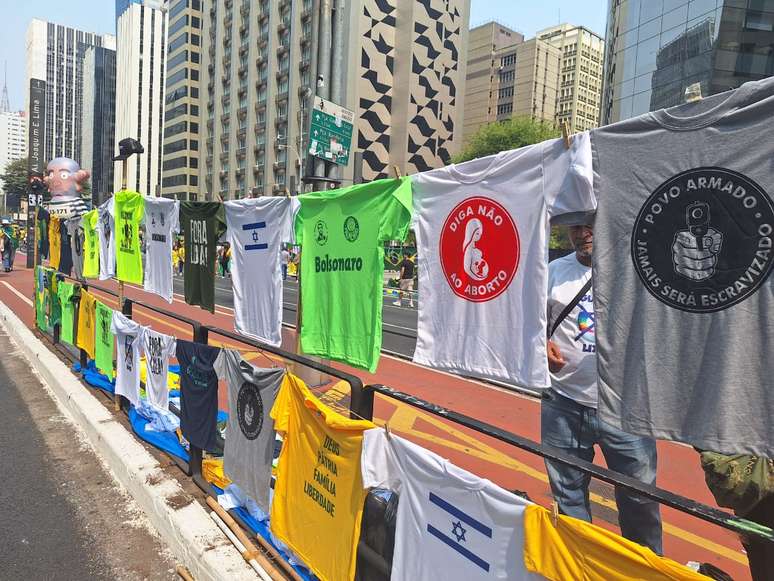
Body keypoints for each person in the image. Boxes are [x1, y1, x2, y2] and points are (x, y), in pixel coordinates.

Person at [541, 223, 663, 555]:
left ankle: (644, 572)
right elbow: (532, 326)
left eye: (592, 222)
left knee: (640, 500)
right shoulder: (554, 272)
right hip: (562, 404)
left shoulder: (635, 267)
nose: (583, 233)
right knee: (568, 496)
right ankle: (581, 566)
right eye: (575, 227)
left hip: (626, 409)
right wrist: (541, 347)